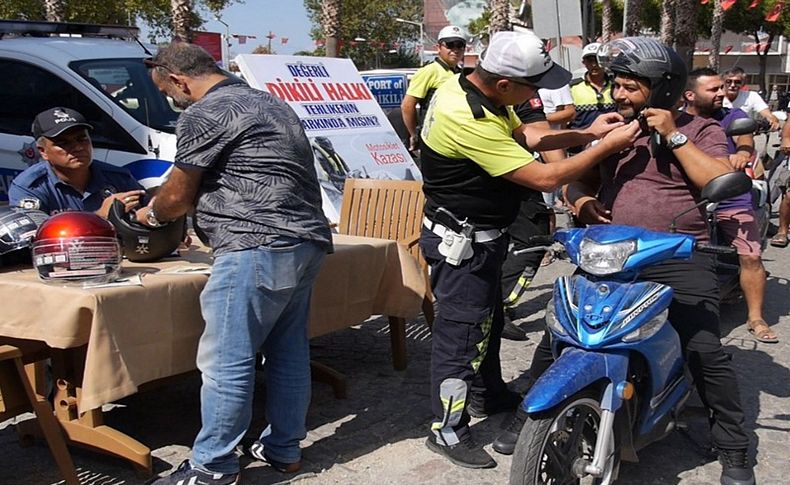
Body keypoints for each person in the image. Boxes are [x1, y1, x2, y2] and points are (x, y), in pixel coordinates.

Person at [496, 38, 756, 485]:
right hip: (611, 253)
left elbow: (719, 179)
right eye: (616, 84)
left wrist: (671, 134)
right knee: (562, 328)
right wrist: (582, 201)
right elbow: (577, 179)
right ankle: (528, 419)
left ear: (662, 88)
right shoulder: (614, 128)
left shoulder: (700, 130)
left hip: (678, 253)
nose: (618, 94)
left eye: (630, 86)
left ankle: (733, 447)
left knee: (703, 348)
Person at [419, 30, 640, 469]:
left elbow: (529, 138)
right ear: (504, 84)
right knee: (461, 336)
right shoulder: (467, 116)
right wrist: (605, 147)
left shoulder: (476, 91)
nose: (537, 93)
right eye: (532, 85)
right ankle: (446, 431)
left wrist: (586, 133)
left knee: (487, 321)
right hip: (462, 243)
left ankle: (488, 394)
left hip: (482, 239)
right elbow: (542, 178)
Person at [139, 43, 332, 484]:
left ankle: (213, 466)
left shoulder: (205, 113)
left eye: (169, 91)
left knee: (227, 359)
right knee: (287, 350)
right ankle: (284, 449)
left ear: (179, 80)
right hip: (305, 240)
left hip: (253, 244)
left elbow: (178, 194)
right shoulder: (267, 100)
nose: (174, 100)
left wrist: (149, 215)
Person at [684, 67, 778, 344]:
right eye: (713, 89)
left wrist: (741, 154)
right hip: (688, 199)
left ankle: (756, 317)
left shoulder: (733, 116)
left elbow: (745, 142)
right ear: (690, 94)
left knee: (750, 256)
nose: (722, 93)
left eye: (721, 88)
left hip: (729, 195)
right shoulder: (676, 123)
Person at [9, 107, 145, 217]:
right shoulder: (30, 187)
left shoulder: (118, 178)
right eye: (63, 143)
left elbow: (147, 211)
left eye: (82, 139)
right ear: (43, 151)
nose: (78, 148)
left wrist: (145, 217)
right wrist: (100, 217)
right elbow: (35, 239)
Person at [400, 25, 465, 152]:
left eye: (460, 45)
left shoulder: (461, 74)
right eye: (450, 45)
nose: (455, 50)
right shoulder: (429, 71)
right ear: (438, 48)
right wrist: (414, 135)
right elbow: (407, 106)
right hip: (434, 138)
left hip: (456, 137)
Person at [568, 42, 615, 152]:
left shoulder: (616, 86)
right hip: (579, 145)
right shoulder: (573, 87)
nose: (594, 64)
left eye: (597, 60)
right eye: (590, 60)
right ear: (584, 62)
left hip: (610, 144)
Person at [722, 67, 780, 131]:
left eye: (737, 82)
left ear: (743, 83)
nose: (732, 85)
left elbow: (767, 114)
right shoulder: (716, 96)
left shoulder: (752, 96)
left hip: (744, 134)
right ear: (722, 82)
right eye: (728, 81)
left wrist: (773, 120)